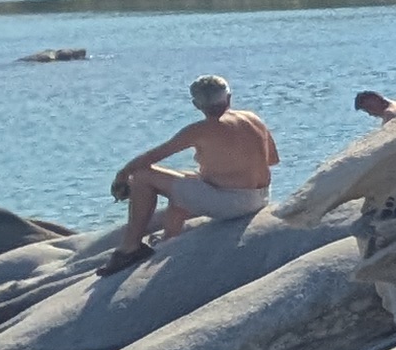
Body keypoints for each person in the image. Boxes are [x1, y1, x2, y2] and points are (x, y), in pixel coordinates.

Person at [104, 75, 279, 271]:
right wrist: (222, 169)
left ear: (196, 105)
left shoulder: (199, 130)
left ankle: (129, 248)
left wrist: (122, 175)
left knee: (142, 177)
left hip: (233, 204)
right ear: (229, 97)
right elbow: (272, 160)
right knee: (186, 181)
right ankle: (169, 240)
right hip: (261, 197)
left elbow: (152, 157)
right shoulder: (253, 119)